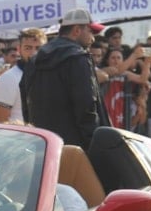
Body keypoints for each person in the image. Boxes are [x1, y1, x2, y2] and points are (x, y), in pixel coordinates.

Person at [21, 8, 109, 149]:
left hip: (43, 146)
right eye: (90, 31)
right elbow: (86, 107)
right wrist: (94, 145)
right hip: (75, 147)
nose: (93, 38)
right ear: (77, 30)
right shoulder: (78, 58)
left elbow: (26, 106)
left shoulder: (34, 61)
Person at [0, 28, 46, 124]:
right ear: (19, 49)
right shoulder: (8, 79)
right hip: (21, 133)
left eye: (38, 48)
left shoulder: (51, 76)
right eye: (28, 48)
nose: (34, 53)